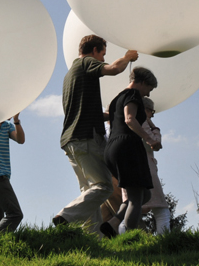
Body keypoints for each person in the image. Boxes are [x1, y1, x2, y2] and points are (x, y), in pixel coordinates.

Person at [53, 34, 138, 237]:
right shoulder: (86, 63)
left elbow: (82, 110)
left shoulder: (69, 75)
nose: (102, 59)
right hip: (86, 138)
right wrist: (127, 58)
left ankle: (93, 239)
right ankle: (66, 216)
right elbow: (114, 69)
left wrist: (110, 115)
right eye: (103, 54)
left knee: (89, 193)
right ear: (94, 51)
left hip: (70, 140)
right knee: (104, 186)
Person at [103, 67, 161, 235]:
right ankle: (130, 238)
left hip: (112, 149)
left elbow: (110, 117)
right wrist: (150, 139)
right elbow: (130, 119)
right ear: (142, 82)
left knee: (145, 195)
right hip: (127, 147)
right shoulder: (133, 95)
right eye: (149, 89)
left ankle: (113, 223)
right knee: (136, 198)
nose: (148, 95)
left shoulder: (117, 98)